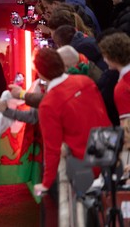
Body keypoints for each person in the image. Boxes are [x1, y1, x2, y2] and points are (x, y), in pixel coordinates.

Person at [32, 48, 111, 195]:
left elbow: (52, 148)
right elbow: (103, 117)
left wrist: (46, 183)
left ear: (40, 73)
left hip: (82, 164)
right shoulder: (85, 81)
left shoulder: (48, 104)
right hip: (107, 152)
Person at [98, 32, 130, 151]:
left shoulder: (122, 88)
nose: (104, 60)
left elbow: (127, 127)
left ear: (114, 58)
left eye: (105, 56)